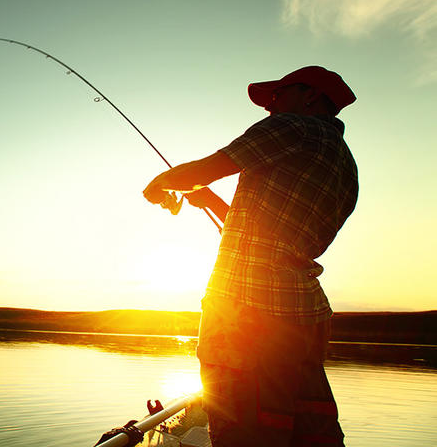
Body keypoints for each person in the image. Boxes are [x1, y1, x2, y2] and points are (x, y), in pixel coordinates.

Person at [143, 66, 358, 446]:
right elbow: (275, 237)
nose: (270, 107)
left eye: (278, 96)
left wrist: (161, 183)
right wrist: (208, 200)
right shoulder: (345, 163)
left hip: (247, 310)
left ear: (309, 96)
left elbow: (211, 167)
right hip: (304, 316)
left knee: (240, 425)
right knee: (305, 425)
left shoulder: (293, 127)